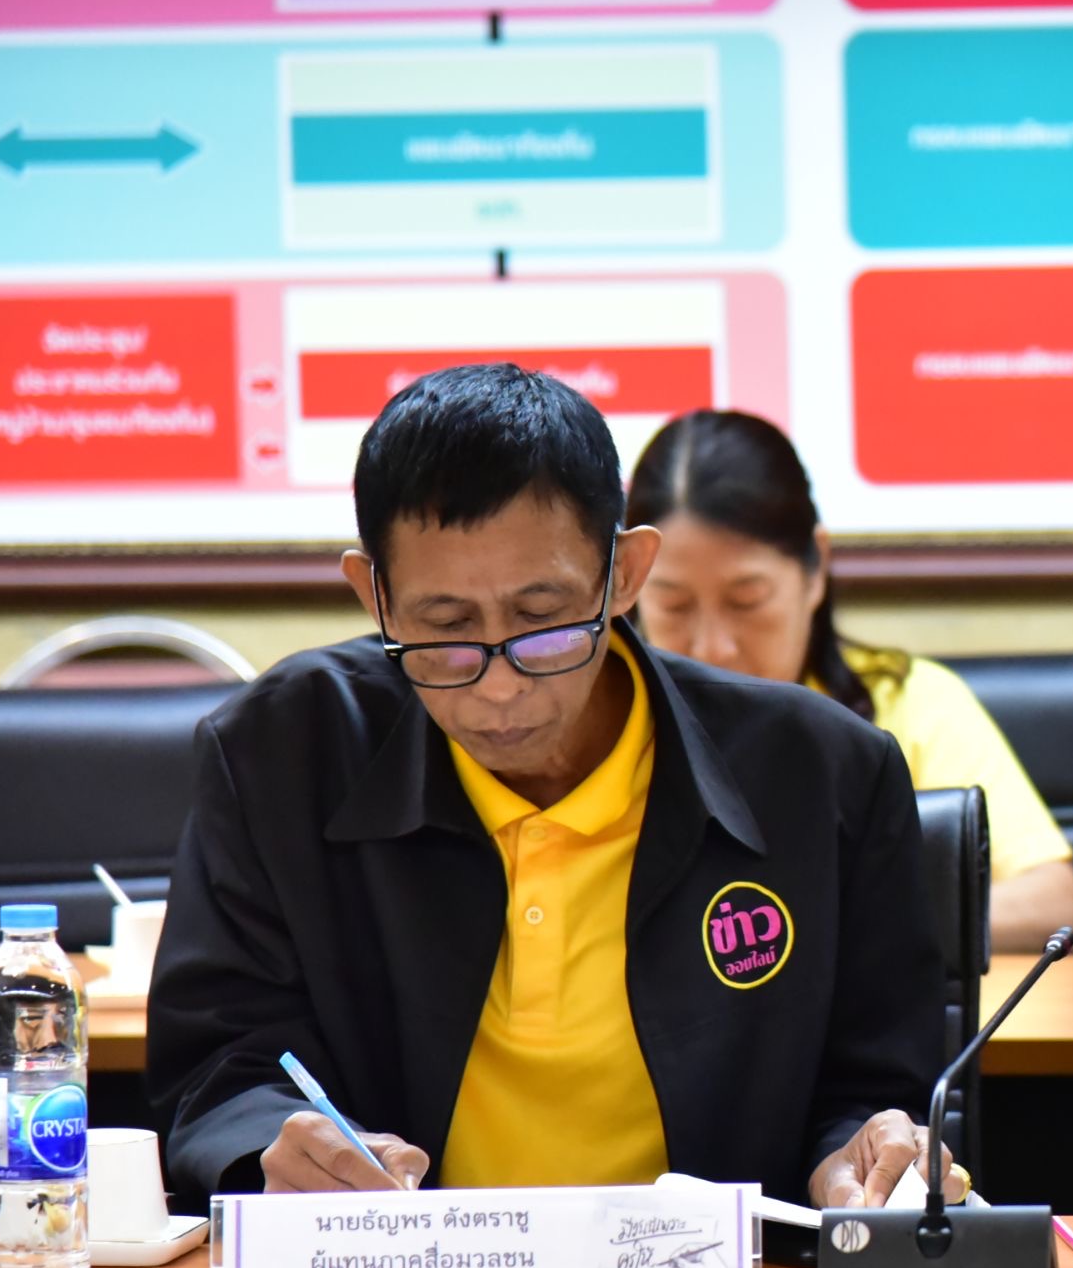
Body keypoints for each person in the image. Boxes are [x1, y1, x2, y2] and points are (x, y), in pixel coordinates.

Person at [146, 364, 959, 1208]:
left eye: (543, 620)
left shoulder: (823, 775)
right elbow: (220, 1067)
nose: (500, 686)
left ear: (626, 574)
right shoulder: (279, 755)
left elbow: (873, 1092)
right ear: (374, 594)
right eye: (446, 628)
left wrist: (852, 1158)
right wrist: (277, 1145)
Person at [625, 409, 1073, 953]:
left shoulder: (906, 703)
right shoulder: (605, 727)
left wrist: (830, 917)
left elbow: (1053, 907)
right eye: (674, 605)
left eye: (746, 600)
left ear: (815, 569)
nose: (713, 647)